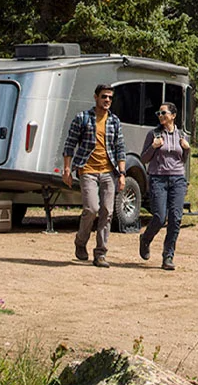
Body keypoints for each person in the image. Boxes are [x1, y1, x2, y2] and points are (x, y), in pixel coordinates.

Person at [62, 84, 126, 268]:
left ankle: (100, 253)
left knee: (107, 211)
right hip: (87, 169)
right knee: (91, 208)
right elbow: (69, 144)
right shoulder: (82, 118)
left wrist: (122, 174)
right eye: (104, 96)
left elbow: (120, 149)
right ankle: (81, 241)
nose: (107, 100)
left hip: (108, 172)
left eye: (110, 98)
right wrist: (67, 169)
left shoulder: (114, 121)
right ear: (96, 97)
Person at [139, 102, 190, 270]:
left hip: (177, 179)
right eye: (159, 113)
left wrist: (187, 150)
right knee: (160, 217)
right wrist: (153, 147)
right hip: (158, 179)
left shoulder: (181, 135)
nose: (160, 116)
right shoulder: (153, 134)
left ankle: (168, 256)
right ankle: (146, 239)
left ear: (173, 116)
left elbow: (182, 159)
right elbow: (144, 159)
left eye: (163, 113)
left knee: (176, 218)